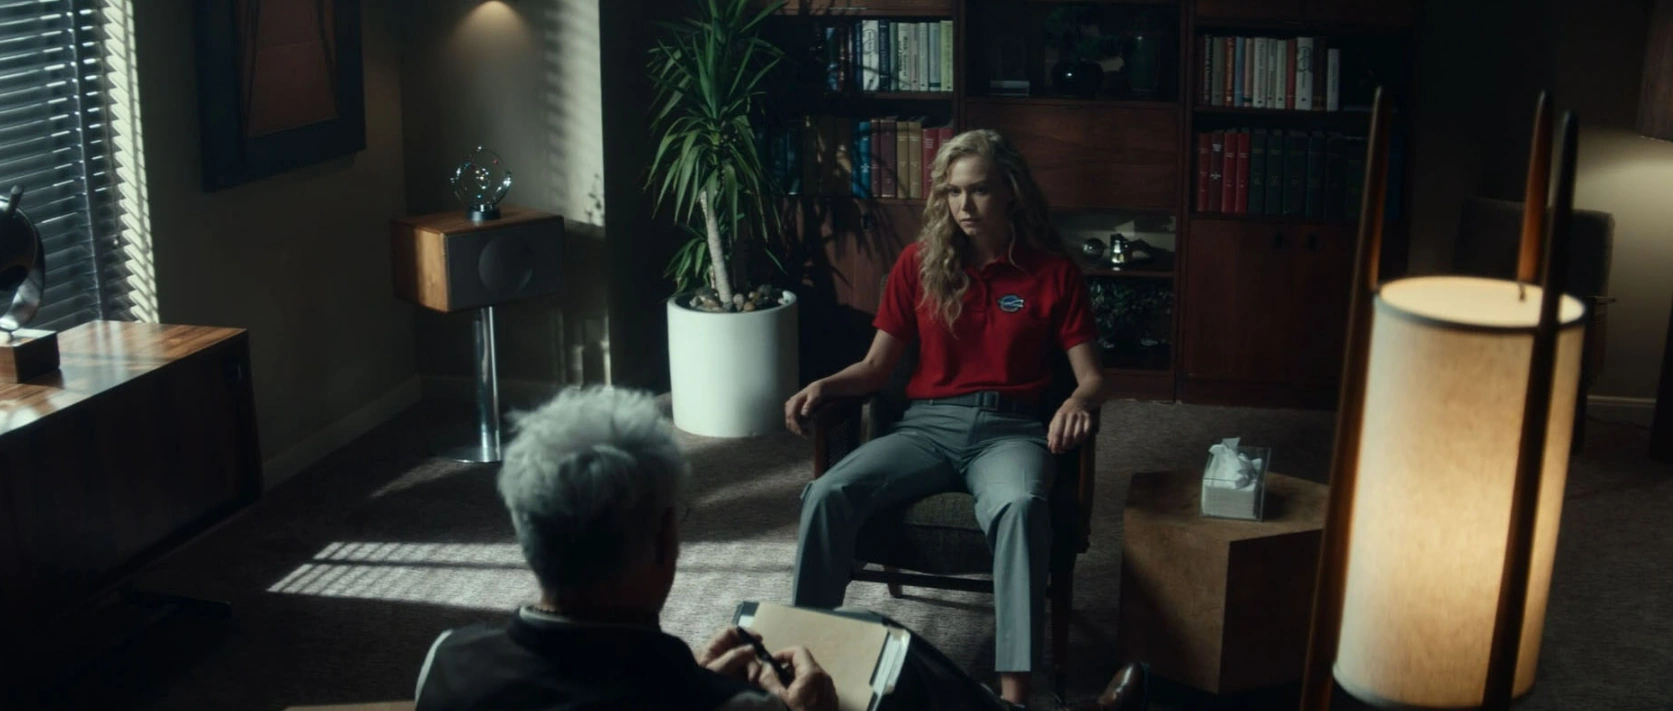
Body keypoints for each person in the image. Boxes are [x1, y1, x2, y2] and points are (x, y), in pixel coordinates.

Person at [411, 386, 1147, 711]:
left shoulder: (444, 663)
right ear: (666, 538)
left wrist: (691, 680)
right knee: (894, 665)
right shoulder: (728, 705)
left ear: (526, 531)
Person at [784, 128, 1107, 707]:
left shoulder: (1052, 273)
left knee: (1021, 507)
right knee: (828, 492)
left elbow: (1092, 377)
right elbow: (876, 368)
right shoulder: (917, 264)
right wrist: (823, 385)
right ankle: (804, 669)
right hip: (927, 427)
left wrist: (1078, 402)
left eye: (978, 190)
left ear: (1010, 191)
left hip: (1012, 432)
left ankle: (1013, 698)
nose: (964, 205)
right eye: (954, 192)